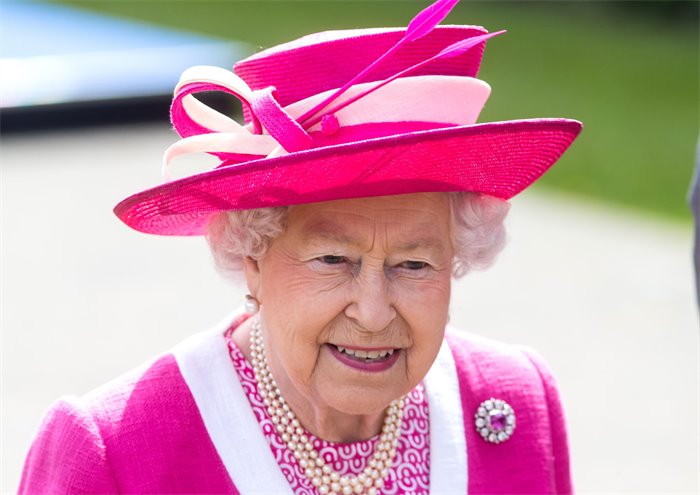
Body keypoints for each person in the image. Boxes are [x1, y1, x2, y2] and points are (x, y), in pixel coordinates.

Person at [19, 1, 582, 493]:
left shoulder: (515, 400)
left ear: (458, 256)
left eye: (414, 264)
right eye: (333, 260)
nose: (373, 311)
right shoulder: (115, 452)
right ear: (252, 256)